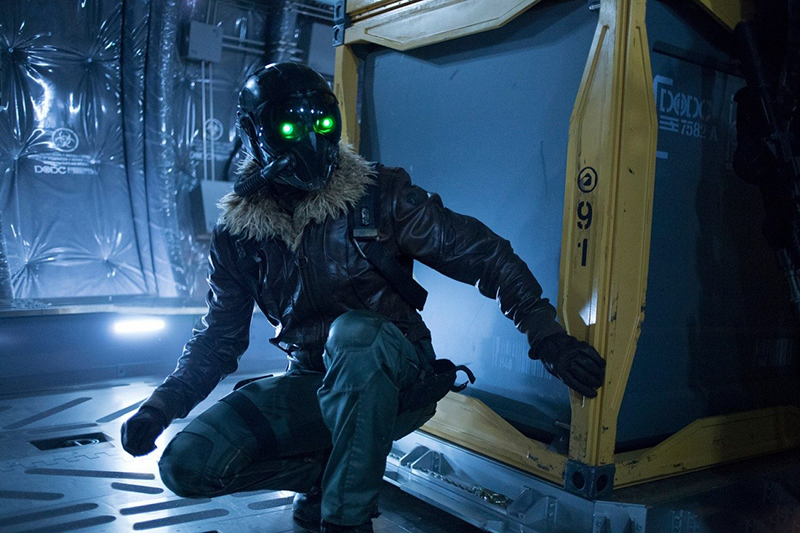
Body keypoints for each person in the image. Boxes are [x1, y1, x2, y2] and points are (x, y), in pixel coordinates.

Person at [121, 62, 606, 533]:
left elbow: (486, 256)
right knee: (188, 465)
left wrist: (547, 336)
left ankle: (346, 519)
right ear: (254, 132)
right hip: (312, 382)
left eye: (322, 123)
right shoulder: (240, 236)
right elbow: (218, 341)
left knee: (354, 335)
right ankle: (327, 478)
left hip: (396, 380)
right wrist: (161, 406)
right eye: (289, 125)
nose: (311, 139)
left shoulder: (381, 197)